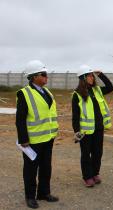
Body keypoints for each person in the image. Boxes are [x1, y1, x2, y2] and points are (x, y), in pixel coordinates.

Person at [16, 60, 59, 209]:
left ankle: (43, 193)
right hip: (33, 140)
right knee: (30, 170)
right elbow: (20, 119)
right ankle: (30, 196)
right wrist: (23, 139)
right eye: (44, 74)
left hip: (48, 138)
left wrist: (53, 133)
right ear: (34, 77)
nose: (47, 77)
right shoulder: (24, 94)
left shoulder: (47, 92)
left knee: (46, 167)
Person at [71, 65, 113, 187]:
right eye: (90, 75)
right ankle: (87, 176)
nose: (92, 77)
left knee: (97, 152)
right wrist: (77, 131)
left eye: (92, 75)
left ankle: (95, 173)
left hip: (99, 128)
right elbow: (75, 115)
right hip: (85, 131)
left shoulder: (97, 90)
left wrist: (101, 75)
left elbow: (110, 87)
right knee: (86, 154)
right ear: (83, 78)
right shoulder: (77, 94)